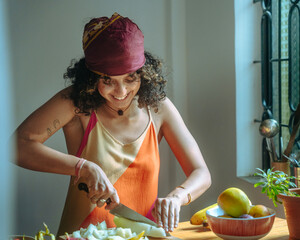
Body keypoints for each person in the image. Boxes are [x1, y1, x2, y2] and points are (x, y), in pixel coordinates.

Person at [15, 13, 211, 238]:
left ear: (144, 73)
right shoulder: (76, 104)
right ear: (91, 77)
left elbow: (201, 173)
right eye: (107, 80)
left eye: (130, 79)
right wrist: (83, 167)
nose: (121, 92)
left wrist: (177, 197)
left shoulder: (158, 108)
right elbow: (18, 145)